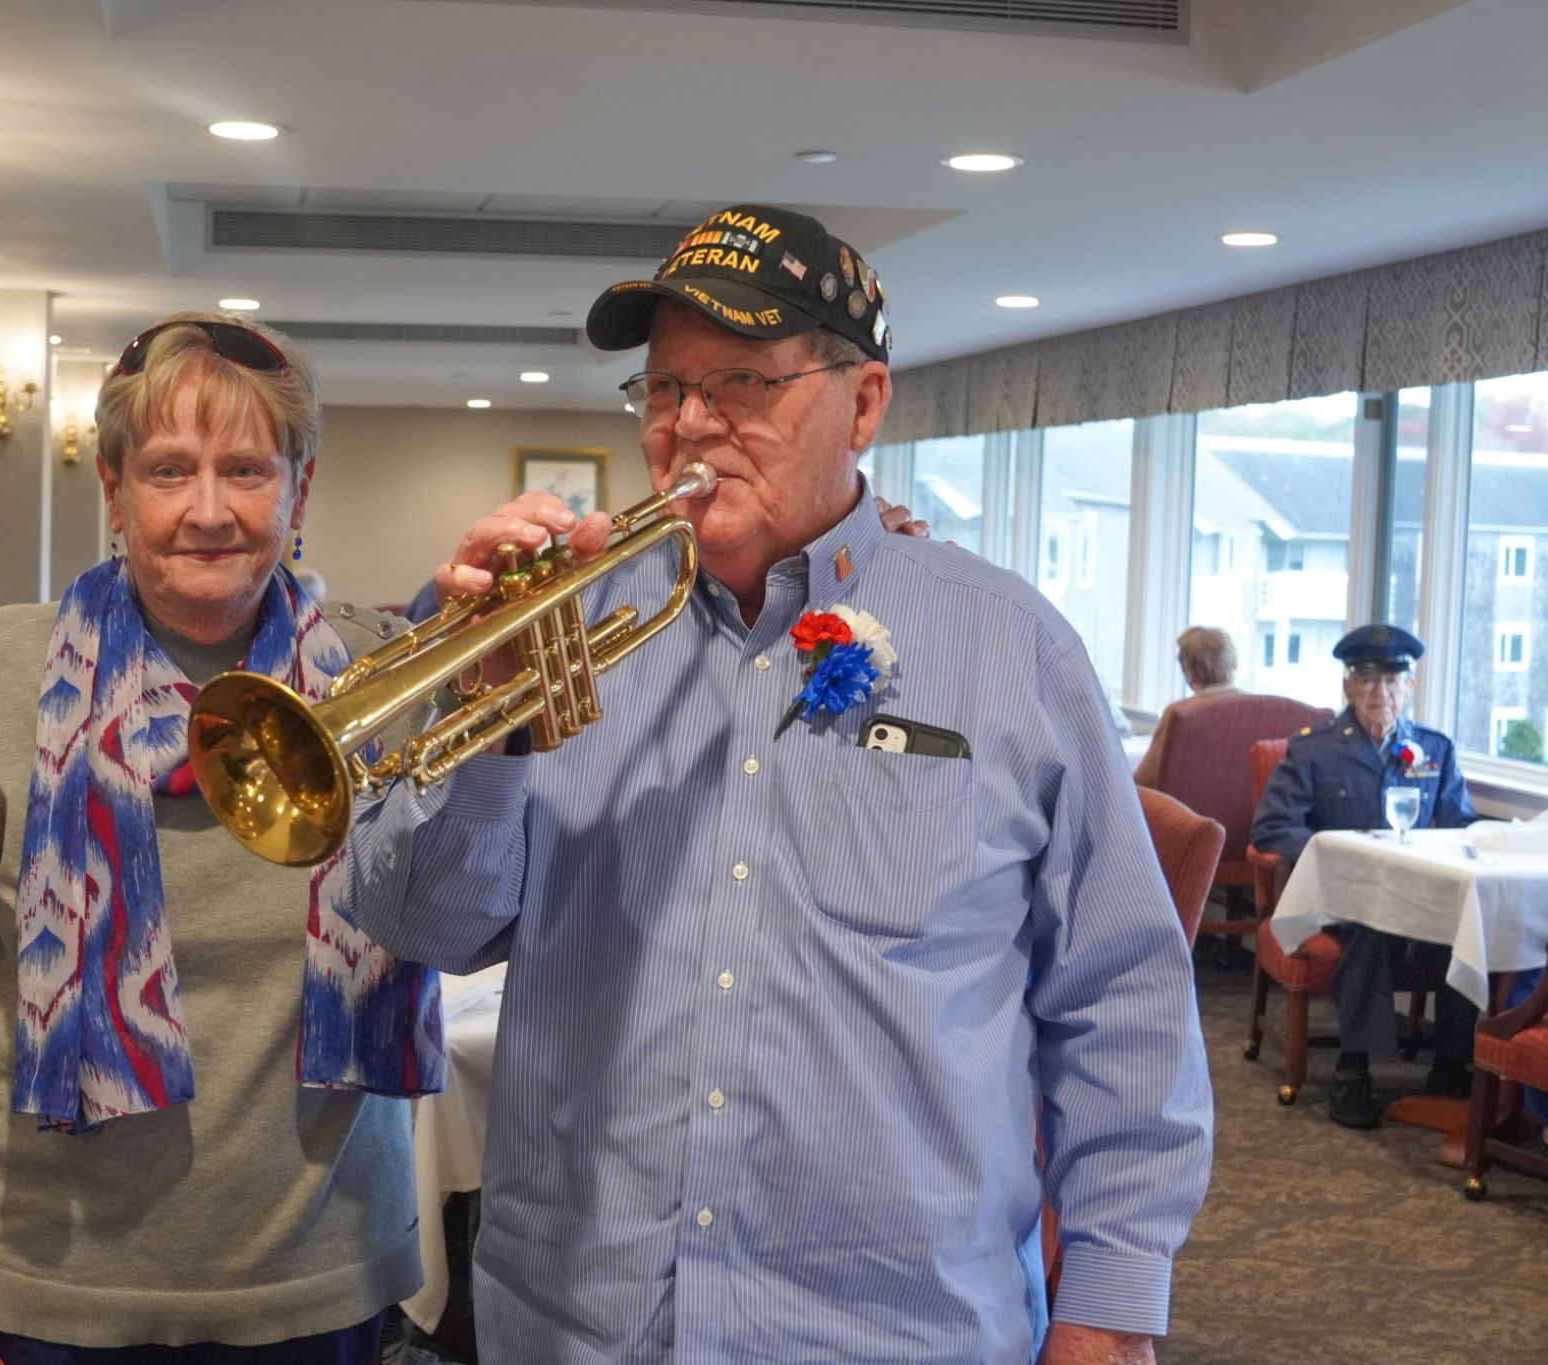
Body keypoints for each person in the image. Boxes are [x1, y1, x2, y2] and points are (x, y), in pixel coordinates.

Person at [350, 205, 1213, 1365]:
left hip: (900, 1332)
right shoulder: (548, 626)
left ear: (862, 404)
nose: (690, 426)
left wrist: (1108, 1309)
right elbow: (423, 924)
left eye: (743, 382)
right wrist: (484, 721)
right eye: (663, 389)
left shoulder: (1015, 649)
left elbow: (1122, 1001)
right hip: (582, 1325)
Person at [0, 312, 442, 1365]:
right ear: (115, 491)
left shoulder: (376, 676)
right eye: (169, 471)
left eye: (247, 470)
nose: (208, 511)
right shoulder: (5, 669)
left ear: (297, 493)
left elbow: (468, 906)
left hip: (319, 1281)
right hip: (40, 1291)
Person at [1251, 623, 1479, 1129]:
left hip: (1419, 898)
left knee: (1466, 932)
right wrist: (1327, 857)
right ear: (1349, 687)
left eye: (1394, 681)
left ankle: (1450, 1067)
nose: (1382, 693)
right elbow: (1272, 827)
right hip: (1345, 898)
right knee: (1372, 933)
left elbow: (1460, 824)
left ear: (1410, 688)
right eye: (1369, 681)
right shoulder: (1314, 749)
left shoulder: (1434, 750)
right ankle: (1353, 1071)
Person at [1132, 625, 1243, 785]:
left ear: (1189, 670)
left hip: (1180, 809)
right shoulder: (1263, 710)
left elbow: (1143, 781)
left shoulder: (1181, 714)